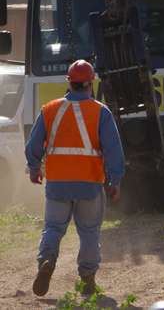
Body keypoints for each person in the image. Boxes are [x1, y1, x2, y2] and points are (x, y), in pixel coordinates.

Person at [25, 60, 124, 298]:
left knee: (53, 228)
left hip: (58, 183)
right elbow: (113, 151)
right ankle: (87, 279)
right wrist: (115, 180)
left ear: (69, 83)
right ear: (91, 83)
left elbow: (34, 145)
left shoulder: (49, 109)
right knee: (89, 232)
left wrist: (34, 167)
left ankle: (47, 260)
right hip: (89, 184)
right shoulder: (101, 111)